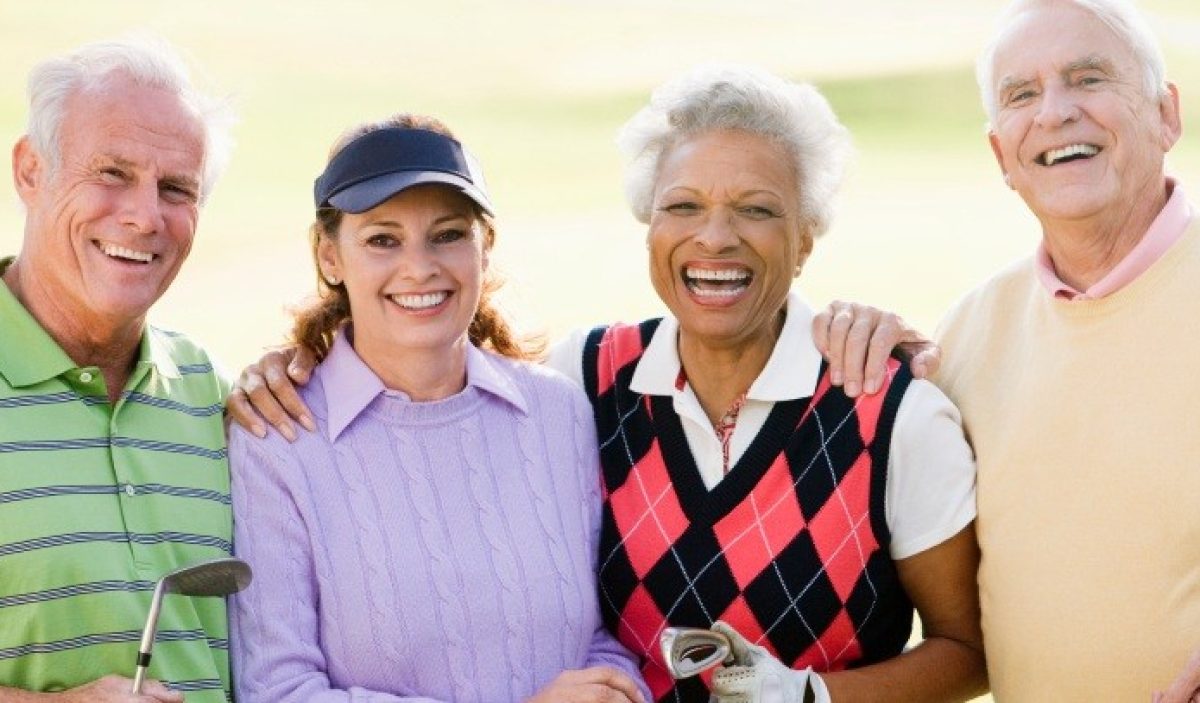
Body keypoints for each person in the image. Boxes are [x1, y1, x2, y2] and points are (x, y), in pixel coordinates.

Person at [228, 66, 987, 702]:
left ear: (805, 239)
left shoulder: (563, 405)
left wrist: (805, 695)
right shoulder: (590, 382)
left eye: (756, 210)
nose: (714, 237)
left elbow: (968, 651)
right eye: (683, 206)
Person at [813, 0, 1200, 700]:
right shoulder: (967, 334)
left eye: (1088, 79)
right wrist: (861, 340)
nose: (1054, 113)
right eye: (1022, 95)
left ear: (1167, 114)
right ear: (1001, 153)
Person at [226, 114, 648, 703]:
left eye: (448, 234)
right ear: (330, 257)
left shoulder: (557, 412)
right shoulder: (277, 440)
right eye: (382, 239)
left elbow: (605, 636)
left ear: (486, 246)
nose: (420, 266)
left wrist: (613, 688)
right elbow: (278, 690)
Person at [0, 38, 235, 702]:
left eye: (176, 188)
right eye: (112, 172)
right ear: (30, 170)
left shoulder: (216, 398)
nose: (143, 215)